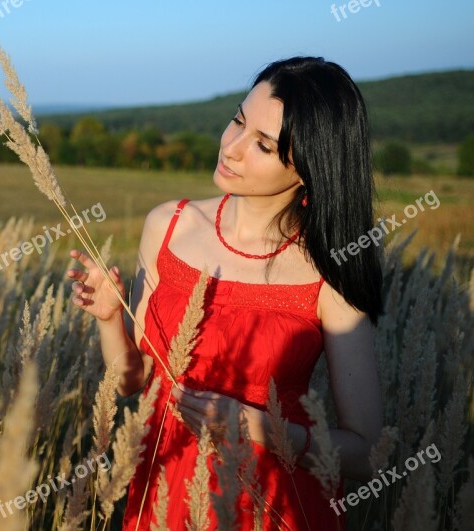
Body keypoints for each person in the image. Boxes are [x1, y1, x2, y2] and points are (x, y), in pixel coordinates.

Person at [66, 57, 384, 530]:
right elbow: (134, 381)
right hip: (166, 486)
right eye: (237, 119)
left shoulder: (329, 271)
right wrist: (111, 318)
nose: (231, 148)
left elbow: (368, 452)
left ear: (309, 168)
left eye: (262, 144)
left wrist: (262, 429)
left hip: (273, 501)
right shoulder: (168, 226)